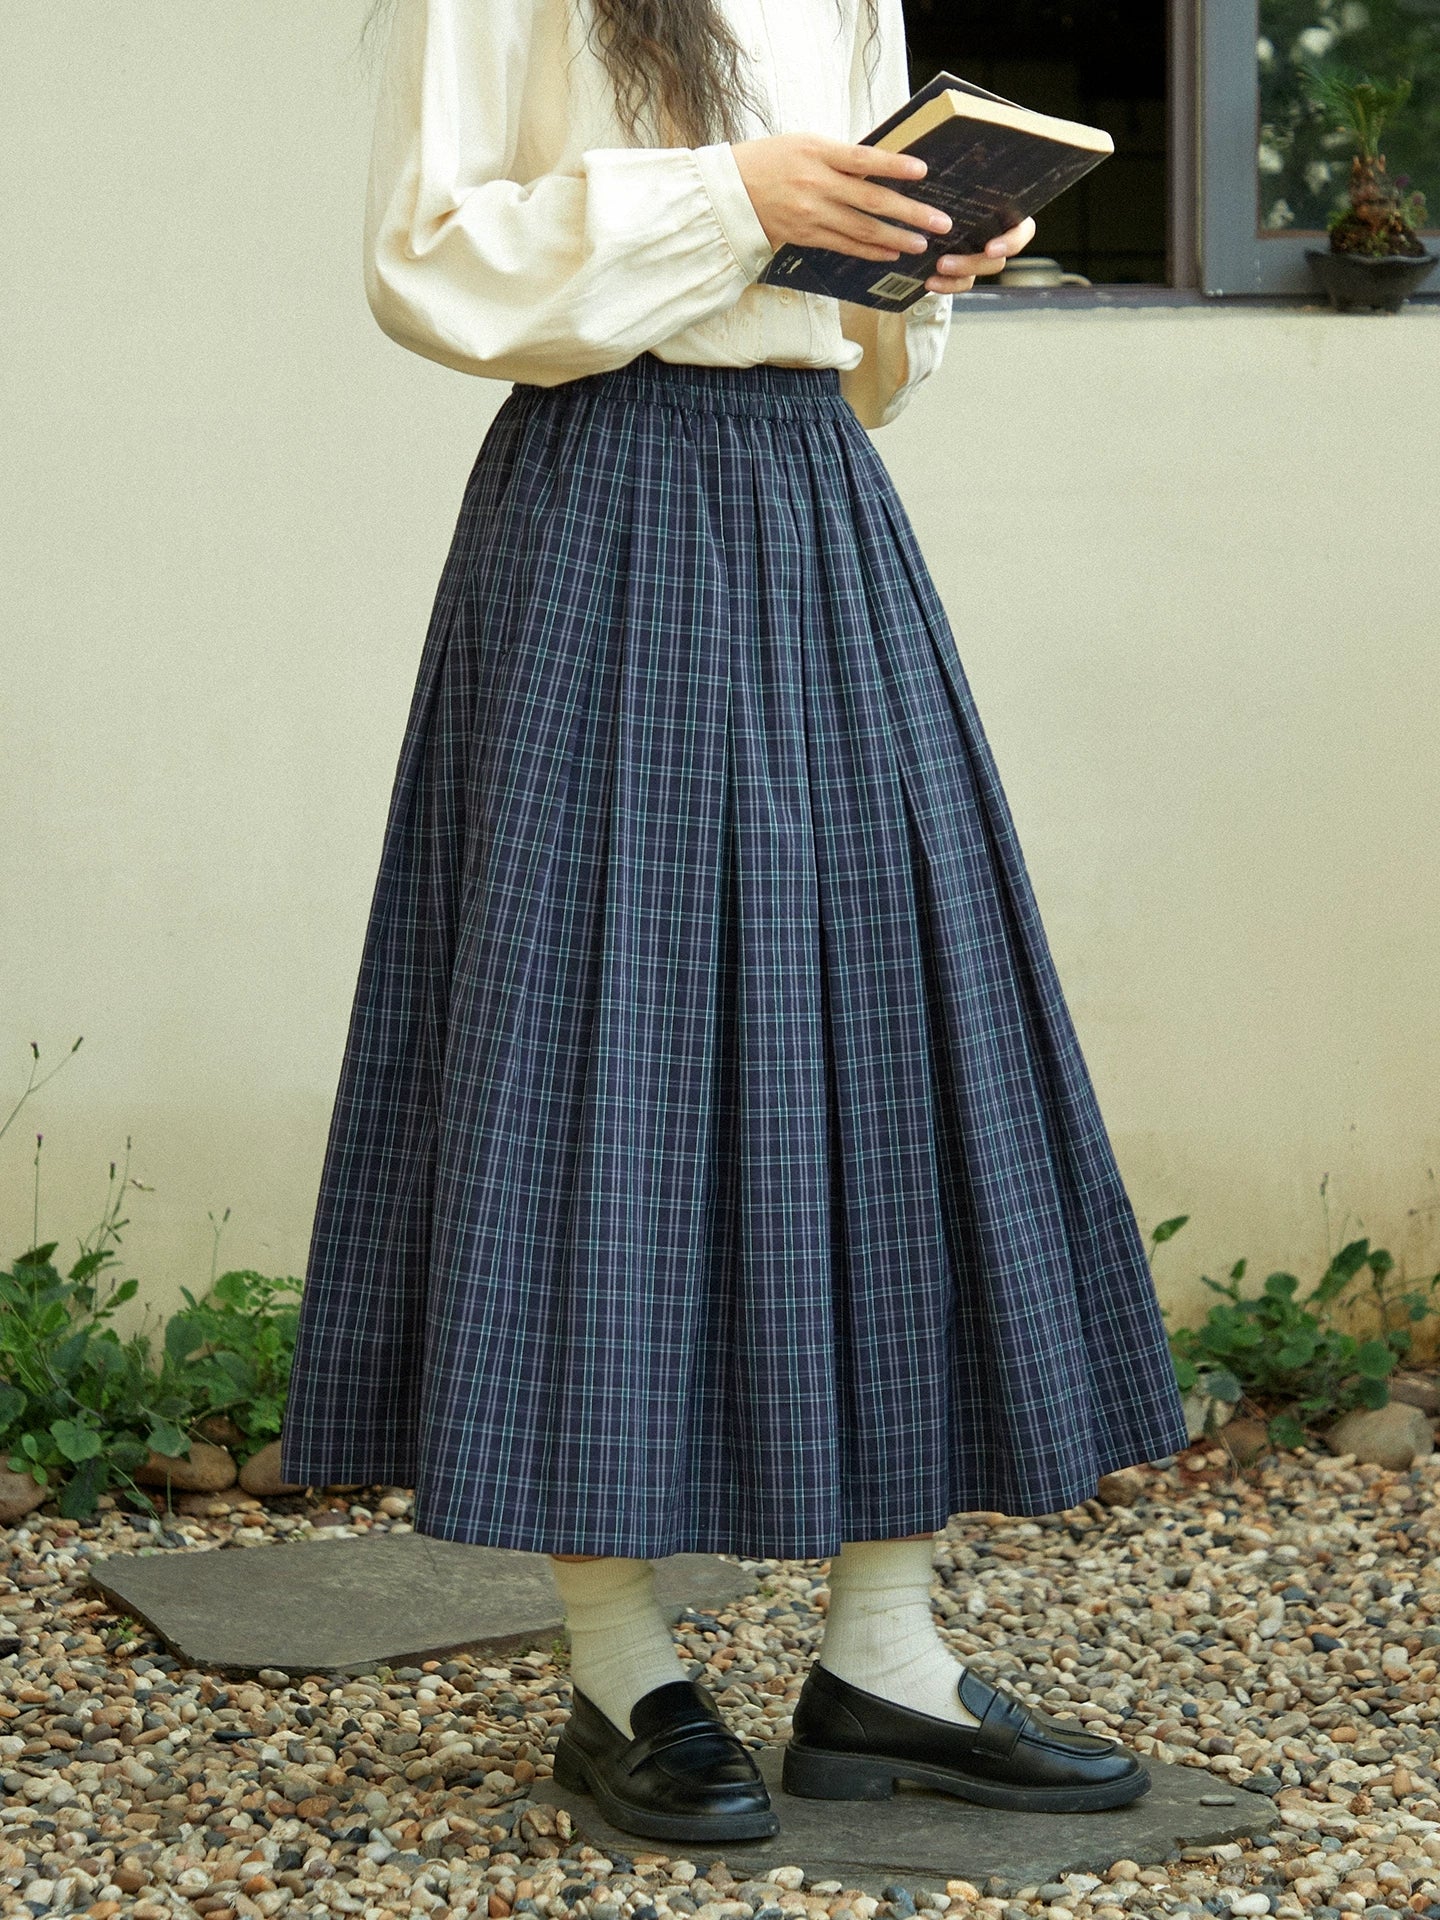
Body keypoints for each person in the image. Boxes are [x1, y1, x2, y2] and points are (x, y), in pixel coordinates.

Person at [279, 0, 1192, 1846]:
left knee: (892, 1037)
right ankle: (622, 1672)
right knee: (591, 1056)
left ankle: (885, 1664)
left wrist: (915, 254)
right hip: (602, 496)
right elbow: (428, 258)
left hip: (813, 498)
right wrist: (730, 195)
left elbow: (863, 364)